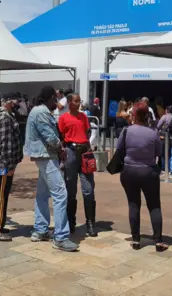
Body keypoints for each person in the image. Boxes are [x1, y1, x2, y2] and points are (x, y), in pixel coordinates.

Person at [24, 86, 78, 252]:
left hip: (44, 156)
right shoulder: (41, 112)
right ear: (48, 98)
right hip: (46, 156)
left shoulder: (39, 111)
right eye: (54, 99)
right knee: (61, 194)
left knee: (42, 194)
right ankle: (61, 237)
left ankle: (40, 229)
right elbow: (50, 136)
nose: (56, 102)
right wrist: (61, 150)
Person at [117, 102, 167, 252]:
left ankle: (136, 239)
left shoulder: (126, 131)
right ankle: (158, 240)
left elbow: (119, 149)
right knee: (154, 206)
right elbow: (158, 152)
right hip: (148, 171)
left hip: (129, 171)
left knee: (133, 204)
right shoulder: (153, 133)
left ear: (134, 115)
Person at [59, 93, 97, 238]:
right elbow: (61, 137)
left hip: (84, 151)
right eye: (76, 101)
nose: (79, 103)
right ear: (69, 102)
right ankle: (70, 221)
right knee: (70, 188)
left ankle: (90, 222)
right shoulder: (63, 118)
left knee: (88, 188)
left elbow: (87, 133)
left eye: (79, 101)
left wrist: (88, 150)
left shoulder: (83, 117)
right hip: (70, 152)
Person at [0, 93, 21, 242]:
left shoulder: (3, 116)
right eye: (15, 100)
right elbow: (6, 144)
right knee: (0, 197)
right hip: (4, 165)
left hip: (2, 164)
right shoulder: (4, 118)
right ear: (8, 101)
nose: (16, 103)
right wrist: (10, 165)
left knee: (0, 196)